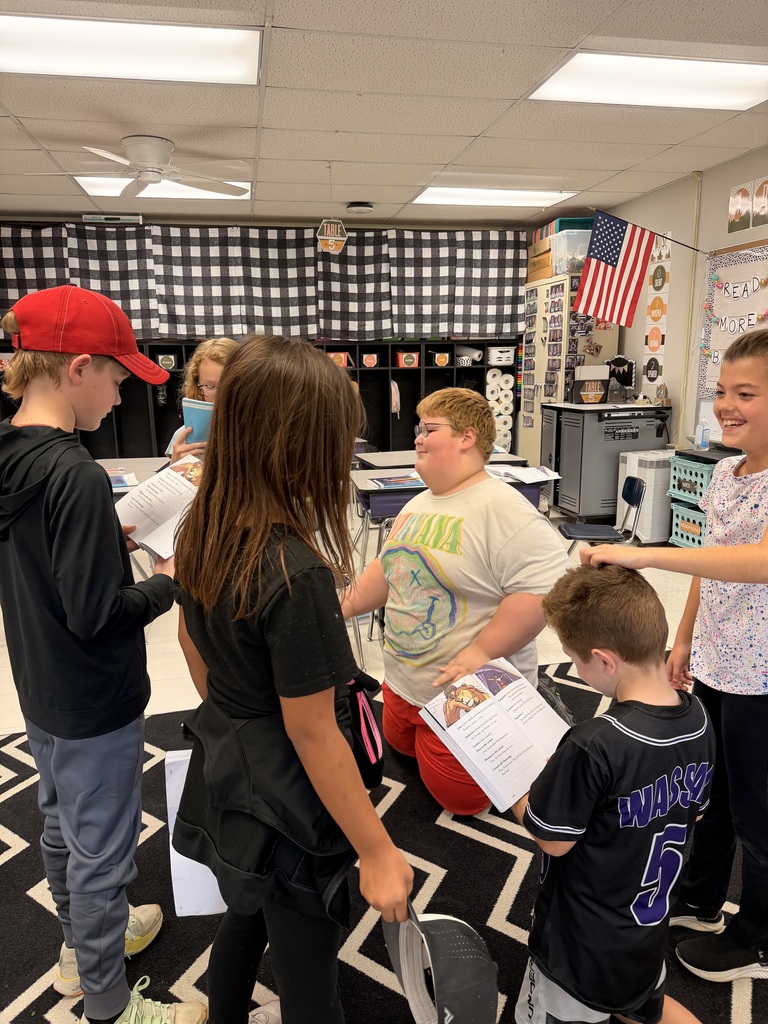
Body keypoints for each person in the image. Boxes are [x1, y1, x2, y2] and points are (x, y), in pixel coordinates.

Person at [173, 334, 413, 1024]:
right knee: (309, 970)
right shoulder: (295, 572)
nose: (348, 454)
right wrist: (377, 848)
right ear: (295, 443)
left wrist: (234, 713)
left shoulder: (206, 525)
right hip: (290, 806)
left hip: (231, 764)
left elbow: (190, 638)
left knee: (245, 915)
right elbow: (313, 730)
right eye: (339, 438)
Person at [0, 285, 205, 1024]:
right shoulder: (76, 474)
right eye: (118, 377)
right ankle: (111, 1004)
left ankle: (82, 947)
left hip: (40, 687)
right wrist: (166, 584)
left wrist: (98, 542)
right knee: (103, 851)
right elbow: (96, 616)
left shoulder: (13, 456)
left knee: (60, 824)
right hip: (94, 697)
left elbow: (47, 573)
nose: (121, 396)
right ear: (77, 368)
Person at [581, 327, 768, 983]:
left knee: (758, 810)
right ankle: (700, 899)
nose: (726, 405)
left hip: (762, 678)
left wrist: (643, 552)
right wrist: (683, 638)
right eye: (722, 391)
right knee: (709, 793)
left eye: (746, 393)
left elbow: (758, 561)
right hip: (716, 660)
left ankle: (759, 938)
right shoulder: (725, 472)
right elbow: (711, 570)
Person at [340, 387, 569, 816]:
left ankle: (537, 712)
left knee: (462, 802)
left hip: (466, 694)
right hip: (406, 685)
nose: (418, 439)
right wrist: (344, 605)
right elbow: (388, 570)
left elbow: (542, 591)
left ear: (467, 438)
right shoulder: (420, 502)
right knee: (398, 749)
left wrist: (481, 652)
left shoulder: (502, 507)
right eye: (418, 430)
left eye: (429, 430)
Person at [512, 564, 713, 1024]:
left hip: (579, 946)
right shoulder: (699, 717)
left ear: (604, 661)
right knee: (644, 1009)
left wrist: (513, 794)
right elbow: (694, 813)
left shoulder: (593, 742)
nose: (578, 672)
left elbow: (553, 840)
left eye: (575, 660)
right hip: (645, 933)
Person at [165, 337, 237, 464]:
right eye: (210, 386)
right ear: (198, 387)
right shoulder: (185, 437)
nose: (220, 396)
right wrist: (176, 467)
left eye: (229, 385)